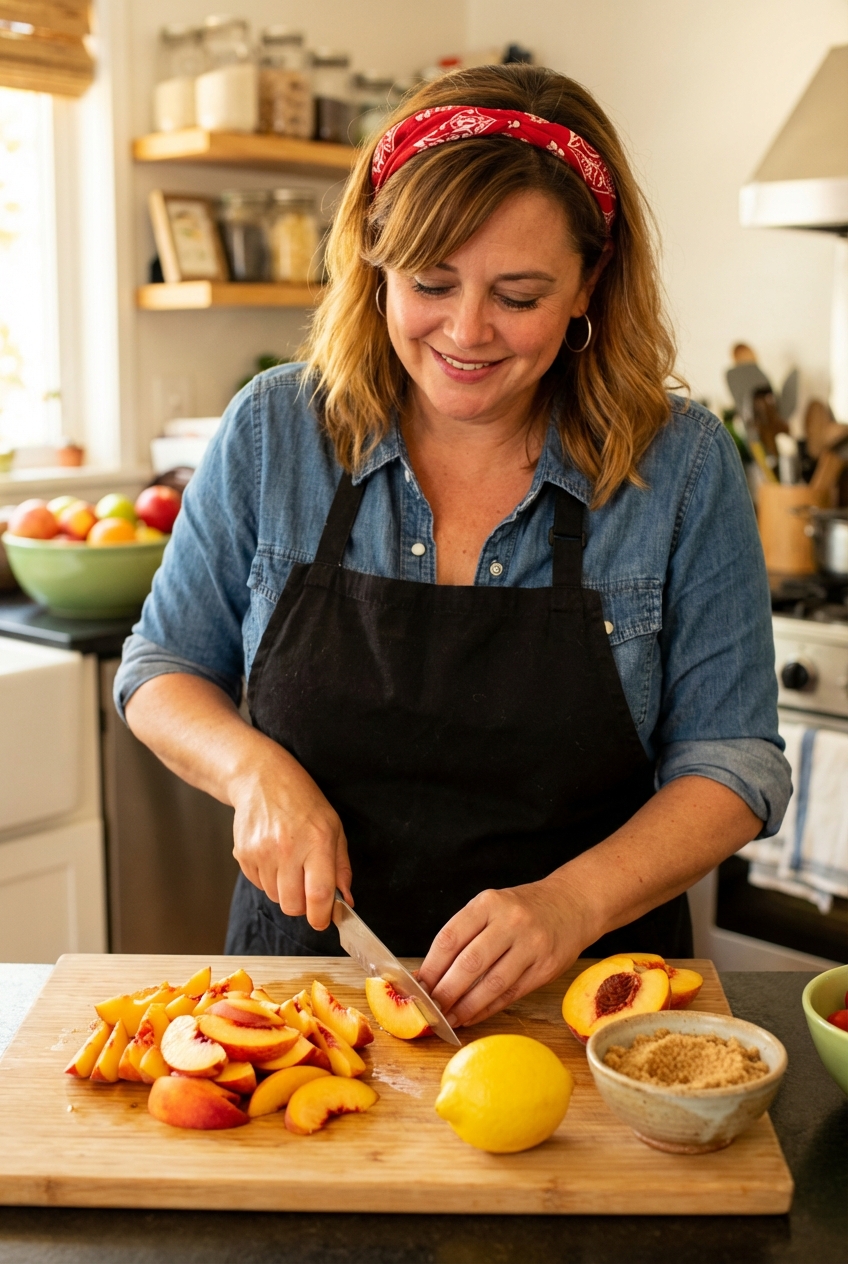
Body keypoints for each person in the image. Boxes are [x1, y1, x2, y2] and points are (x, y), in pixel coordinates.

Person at [116, 65, 790, 1030]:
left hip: (586, 1013)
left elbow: (734, 763)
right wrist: (252, 772)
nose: (466, 333)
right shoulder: (276, 431)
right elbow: (162, 669)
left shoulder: (679, 466)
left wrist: (573, 903)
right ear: (376, 263)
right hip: (302, 1009)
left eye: (519, 295)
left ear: (588, 283)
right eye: (431, 284)